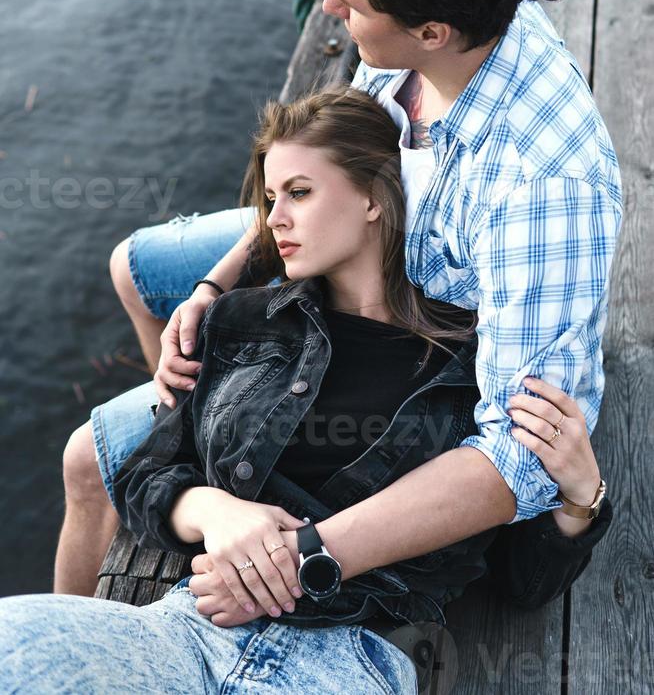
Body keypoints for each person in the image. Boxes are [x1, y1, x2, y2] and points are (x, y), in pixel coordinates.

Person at [54, 0, 621, 598]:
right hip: (353, 232)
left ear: (430, 33)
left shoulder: (544, 187)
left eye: (349, 7)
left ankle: (173, 467)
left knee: (83, 464)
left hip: (390, 330)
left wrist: (300, 558)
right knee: (136, 272)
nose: (328, 8)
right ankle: (191, 412)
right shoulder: (444, 18)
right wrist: (213, 289)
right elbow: (329, 163)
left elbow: (521, 453)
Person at [1, 88, 612, 694]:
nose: (273, 220)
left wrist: (581, 500)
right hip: (190, 627)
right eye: (270, 198)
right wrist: (218, 513)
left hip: (350, 659)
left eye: (299, 193)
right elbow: (148, 473)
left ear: (374, 198)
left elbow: (521, 583)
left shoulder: (470, 371)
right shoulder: (243, 322)